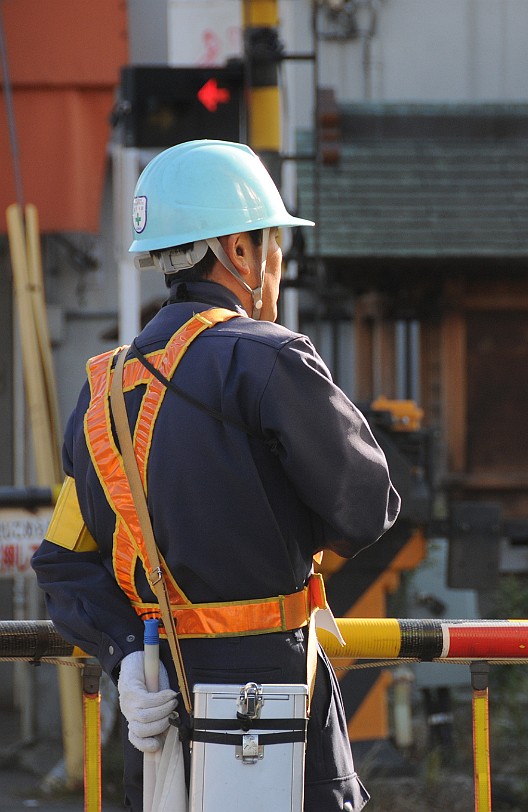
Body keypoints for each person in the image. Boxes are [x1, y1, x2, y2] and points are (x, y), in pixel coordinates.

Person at [32, 139, 401, 811]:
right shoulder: (271, 361)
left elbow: (63, 559)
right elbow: (368, 506)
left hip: (156, 722)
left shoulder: (102, 390)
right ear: (240, 251)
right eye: (274, 245)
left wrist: (124, 663)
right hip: (275, 709)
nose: (279, 264)